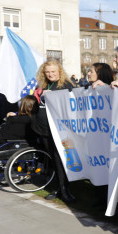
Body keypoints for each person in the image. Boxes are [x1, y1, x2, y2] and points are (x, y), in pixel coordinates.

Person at [31, 59, 76, 202]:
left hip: (59, 130)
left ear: (59, 72)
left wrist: (55, 96)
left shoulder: (66, 85)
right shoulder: (45, 85)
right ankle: (58, 187)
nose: (50, 74)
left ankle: (65, 190)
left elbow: (71, 105)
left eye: (53, 71)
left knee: (61, 160)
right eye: (47, 72)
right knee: (54, 161)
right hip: (44, 130)